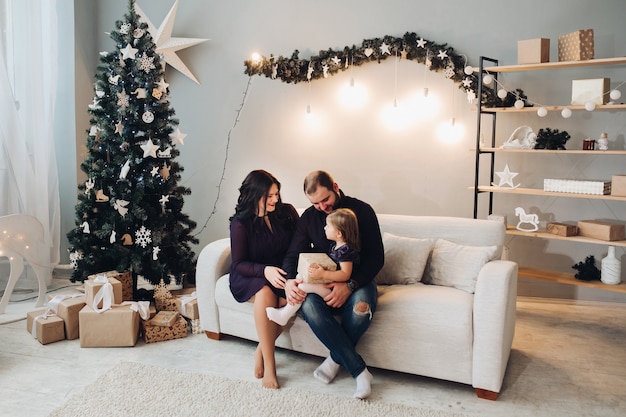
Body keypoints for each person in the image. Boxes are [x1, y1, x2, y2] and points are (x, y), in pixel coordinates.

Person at [282, 170, 384, 399]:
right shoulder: (309, 217)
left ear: (335, 187)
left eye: (325, 199)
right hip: (325, 282)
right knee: (307, 305)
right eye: (315, 203)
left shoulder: (362, 211)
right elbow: (292, 253)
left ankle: (334, 360)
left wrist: (350, 284)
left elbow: (377, 258)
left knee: (360, 310)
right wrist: (290, 280)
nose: (322, 207)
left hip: (360, 280)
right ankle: (360, 371)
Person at [228, 170, 299, 389]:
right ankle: (270, 364)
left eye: (276, 194)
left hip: (281, 273)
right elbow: (238, 263)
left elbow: (299, 246)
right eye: (269, 196)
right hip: (250, 274)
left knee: (290, 300)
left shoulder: (286, 213)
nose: (275, 200)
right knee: (265, 292)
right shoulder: (241, 224)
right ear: (254, 195)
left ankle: (260, 349)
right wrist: (265, 271)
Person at [266, 208, 360, 326]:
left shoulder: (345, 251)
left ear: (339, 233)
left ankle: (284, 315)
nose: (324, 228)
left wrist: (323, 274)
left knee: (302, 286)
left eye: (328, 226)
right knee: (300, 277)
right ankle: (287, 308)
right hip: (328, 285)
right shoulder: (336, 246)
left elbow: (345, 274)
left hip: (333, 293)